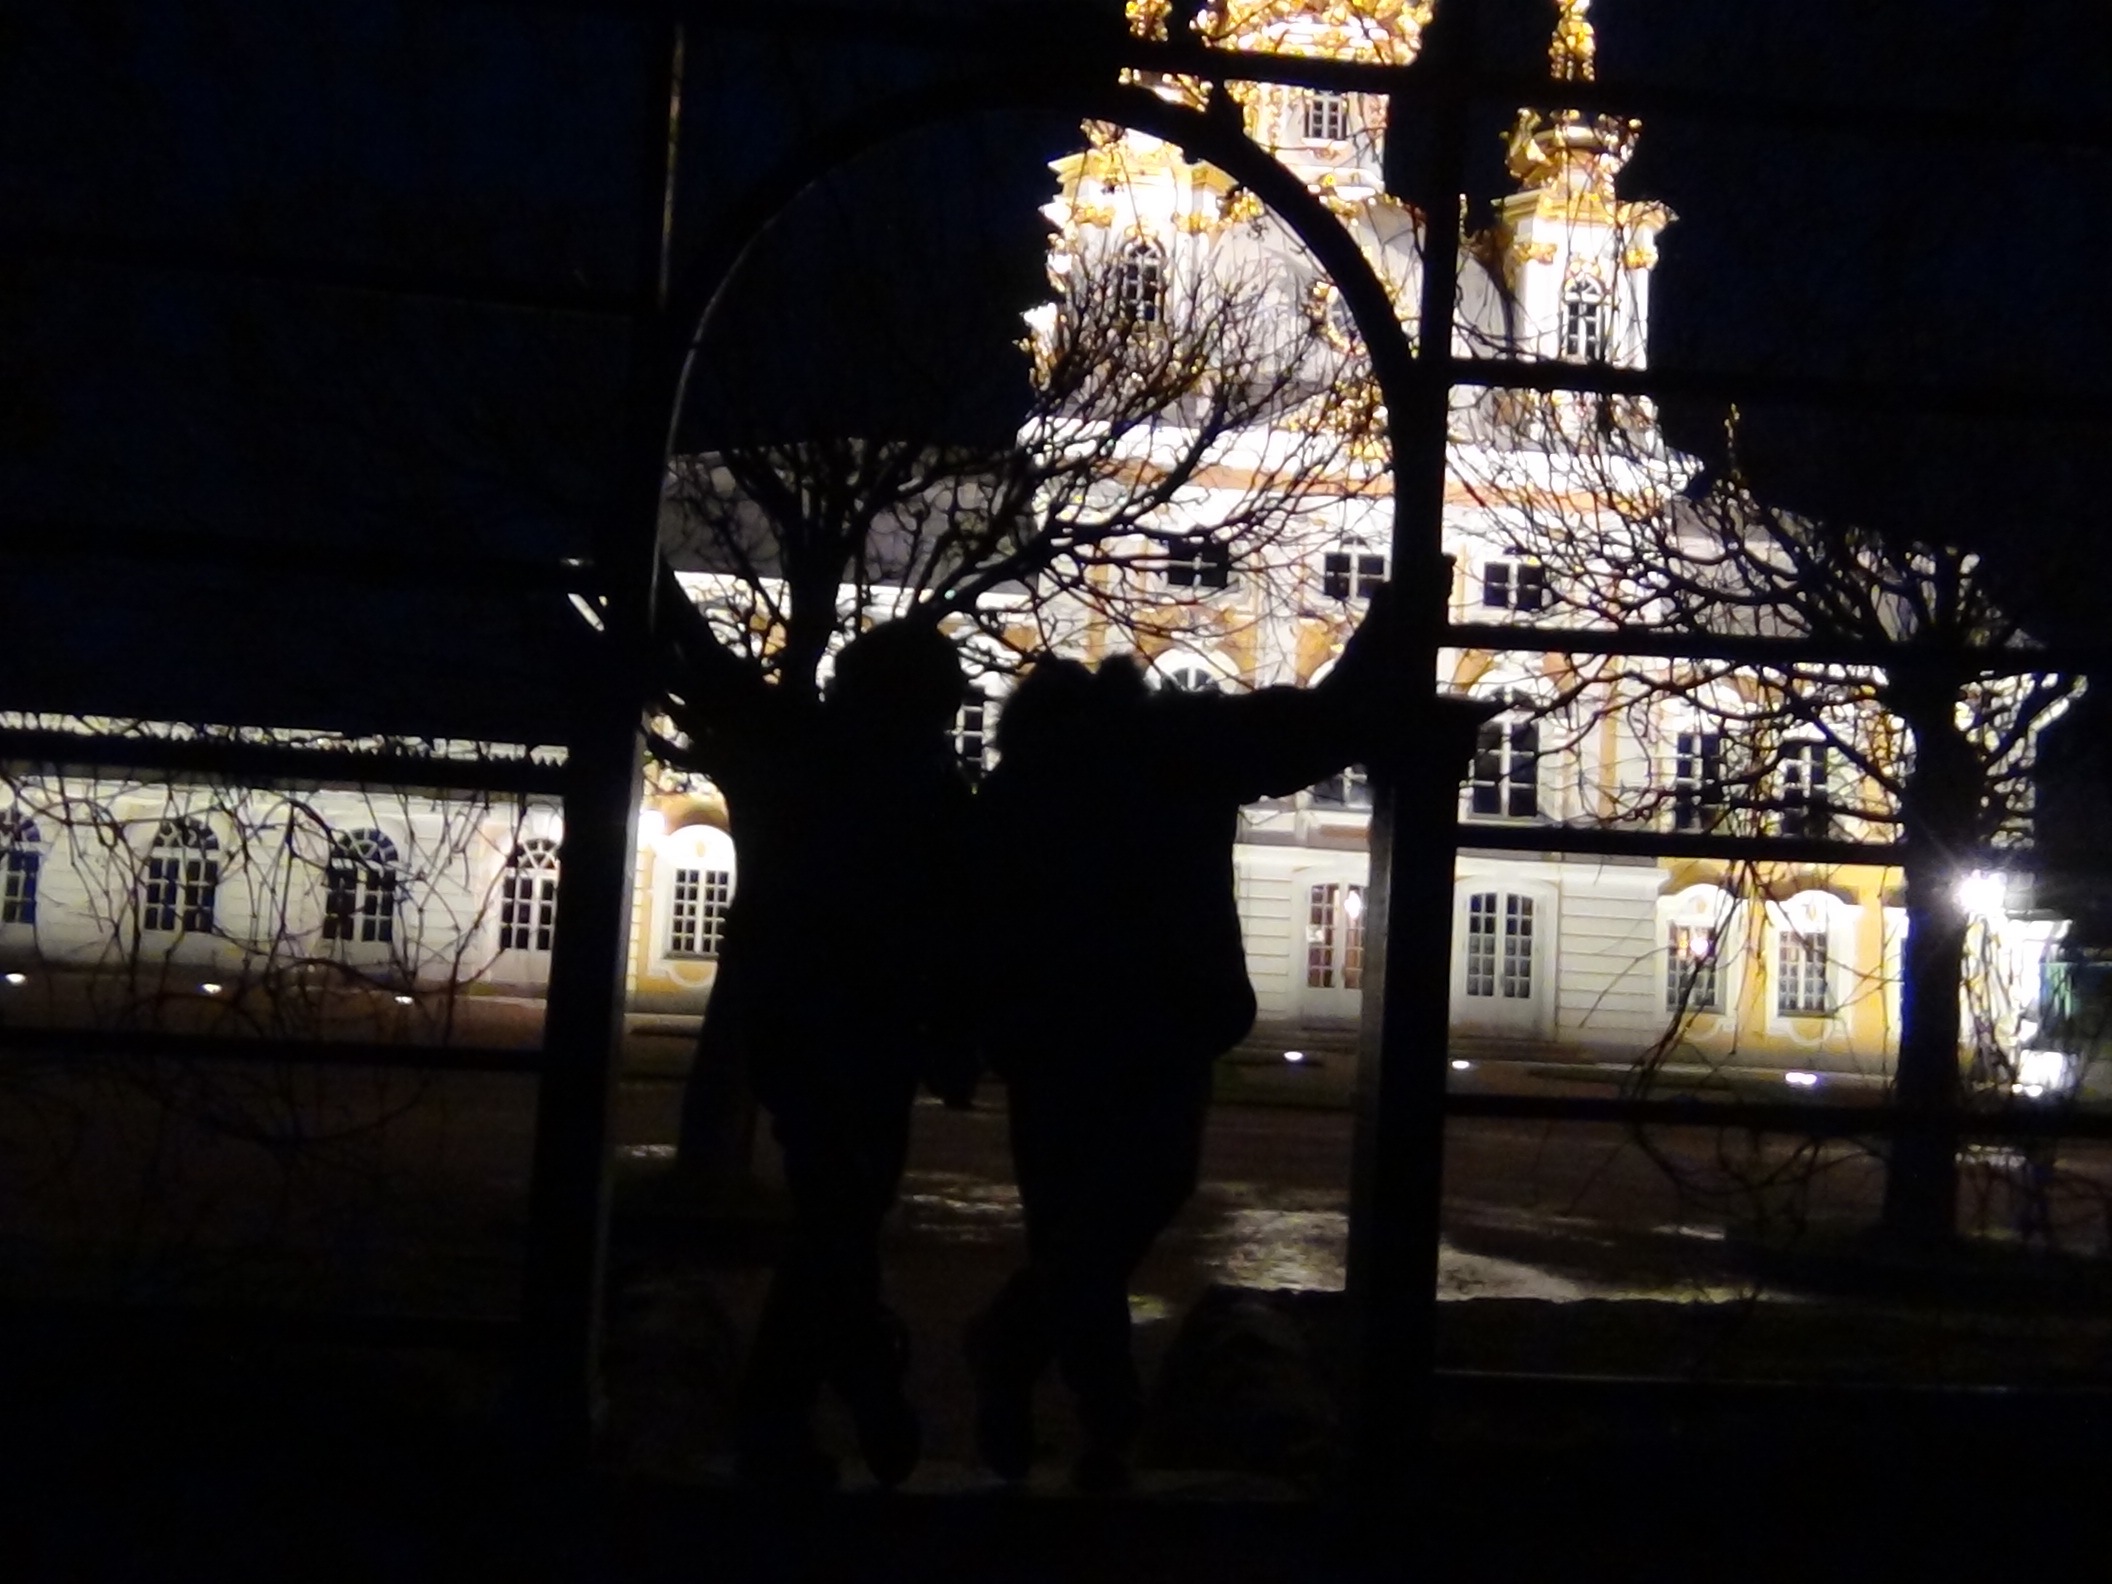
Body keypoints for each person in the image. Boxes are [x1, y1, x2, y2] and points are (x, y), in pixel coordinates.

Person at [967, 591, 1430, 1490]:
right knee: (1128, 1203)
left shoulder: (1023, 783)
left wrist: (971, 1024)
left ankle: (1068, 1395)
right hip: (1154, 1018)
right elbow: (1314, 728)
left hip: (1057, 1032)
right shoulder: (1169, 745)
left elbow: (972, 918)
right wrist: (1393, 618)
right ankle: (1070, 1392)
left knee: (1074, 1223)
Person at [668, 615, 976, 1489]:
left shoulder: (817, 767)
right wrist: (953, 1035)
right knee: (838, 1225)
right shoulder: (914, 784)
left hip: (812, 1030)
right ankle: (833, 1396)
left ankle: (804, 1406)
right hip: (862, 1035)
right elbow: (947, 922)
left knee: (835, 1224)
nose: (950, 712)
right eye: (943, 699)